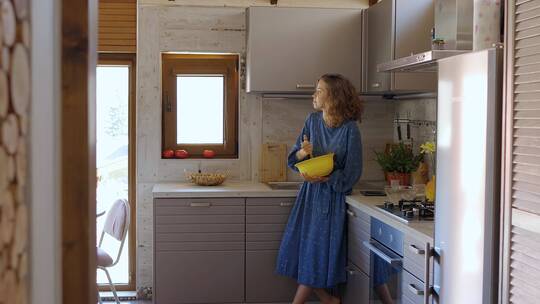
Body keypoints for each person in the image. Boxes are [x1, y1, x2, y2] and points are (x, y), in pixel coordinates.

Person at [275, 74, 364, 304]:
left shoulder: (350, 130)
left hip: (332, 200)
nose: (314, 95)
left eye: (319, 90)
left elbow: (352, 173)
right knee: (301, 253)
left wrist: (328, 177)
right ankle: (328, 299)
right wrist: (303, 154)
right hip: (309, 197)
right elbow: (293, 160)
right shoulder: (312, 121)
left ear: (333, 96)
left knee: (314, 256)